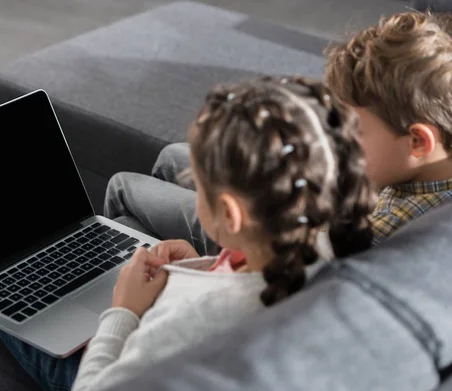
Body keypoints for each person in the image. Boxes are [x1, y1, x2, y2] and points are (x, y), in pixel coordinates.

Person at [0, 76, 375, 391]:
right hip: (188, 315)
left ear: (229, 212)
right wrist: (195, 264)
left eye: (195, 183)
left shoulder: (192, 315)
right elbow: (243, 282)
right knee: (10, 283)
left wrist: (125, 311)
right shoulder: (327, 244)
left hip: (105, 368)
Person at [106, 10, 452, 249]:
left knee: (123, 186)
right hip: (312, 210)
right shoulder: (425, 173)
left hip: (268, 245)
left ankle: (107, 285)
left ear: (419, 141)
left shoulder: (383, 233)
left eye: (353, 131)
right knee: (172, 157)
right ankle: (140, 246)